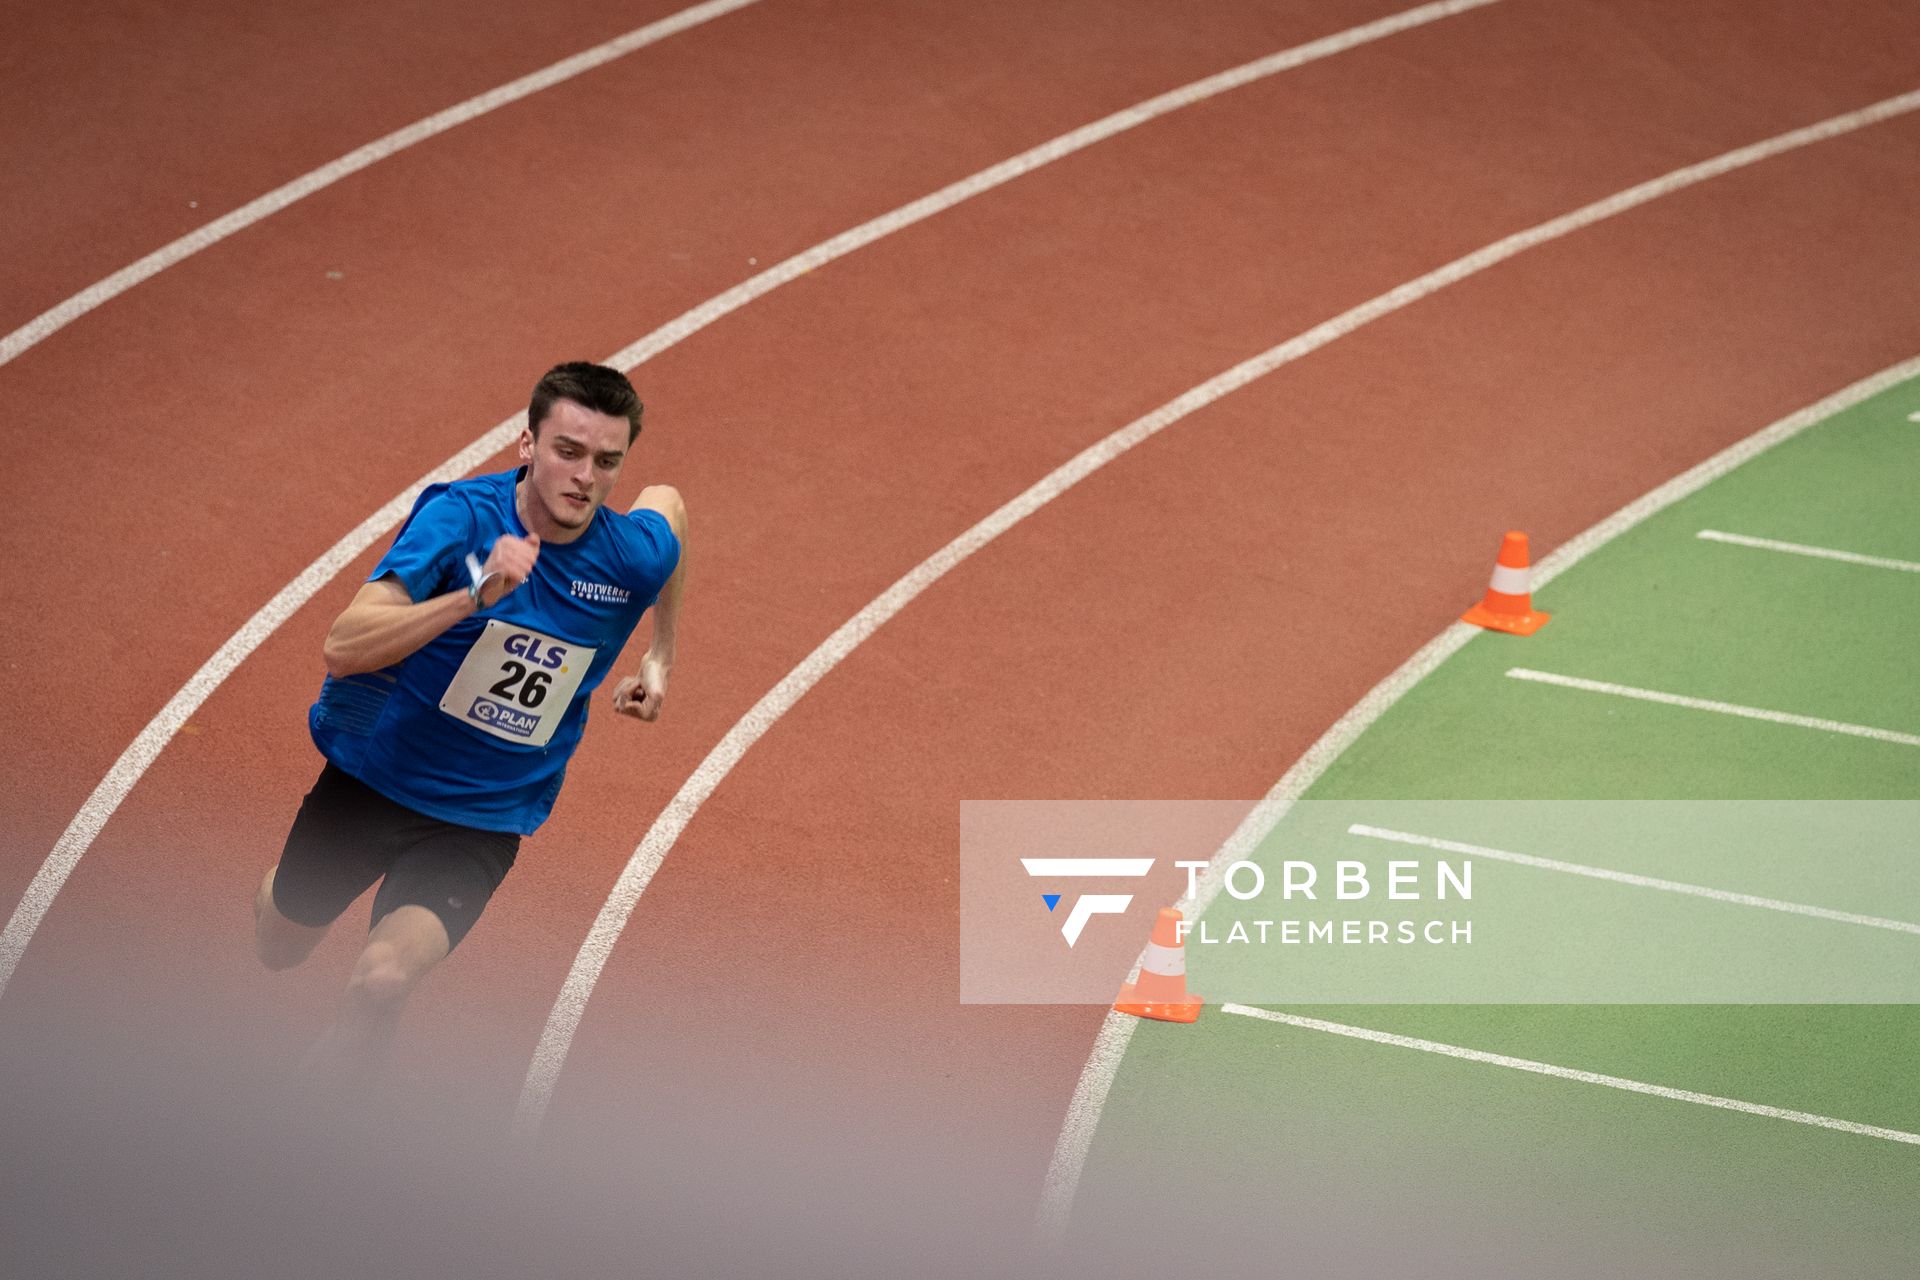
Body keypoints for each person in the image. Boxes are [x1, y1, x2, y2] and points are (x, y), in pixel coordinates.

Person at [252, 361, 686, 1082]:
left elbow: (670, 509)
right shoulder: (460, 519)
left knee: (382, 979)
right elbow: (344, 644)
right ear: (527, 445)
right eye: (568, 451)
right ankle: (285, 890)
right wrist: (471, 599)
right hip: (372, 782)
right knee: (280, 946)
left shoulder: (627, 557)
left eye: (607, 461)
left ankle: (342, 1086)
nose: (585, 476)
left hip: (482, 817)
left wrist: (660, 655)